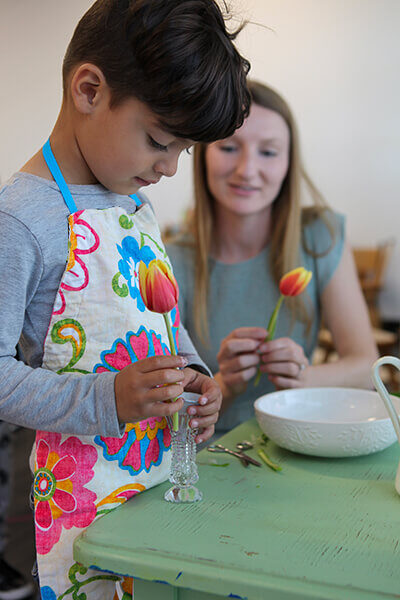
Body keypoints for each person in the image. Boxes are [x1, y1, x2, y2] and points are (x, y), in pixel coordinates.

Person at [0, 0, 250, 597]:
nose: (168, 168)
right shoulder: (22, 221)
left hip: (156, 475)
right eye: (159, 141)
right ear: (89, 89)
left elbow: (158, 322)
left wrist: (193, 373)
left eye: (183, 151)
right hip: (79, 495)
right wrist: (105, 397)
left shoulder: (134, 202)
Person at [167, 80, 378, 435]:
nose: (247, 170)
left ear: (288, 163)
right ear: (203, 155)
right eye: (230, 147)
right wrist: (224, 383)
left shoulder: (319, 236)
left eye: (268, 152)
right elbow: (164, 412)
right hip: (210, 456)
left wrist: (303, 376)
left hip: (299, 440)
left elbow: (366, 366)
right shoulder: (171, 259)